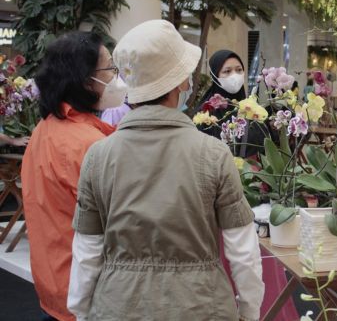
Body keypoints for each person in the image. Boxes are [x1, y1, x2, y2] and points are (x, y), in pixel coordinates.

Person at [67, 20, 263, 320]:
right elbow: (243, 251)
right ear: (182, 82)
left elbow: (87, 251)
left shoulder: (99, 155)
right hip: (202, 306)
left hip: (117, 306)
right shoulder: (213, 153)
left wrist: (80, 311)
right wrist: (250, 311)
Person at [21, 32, 123, 321]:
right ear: (85, 80)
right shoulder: (87, 144)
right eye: (110, 69)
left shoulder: (46, 128)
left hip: (53, 279)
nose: (116, 78)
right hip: (85, 292)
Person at [195, 50, 265, 158]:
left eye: (239, 70)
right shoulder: (206, 113)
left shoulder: (251, 108)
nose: (234, 76)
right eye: (227, 71)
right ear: (215, 75)